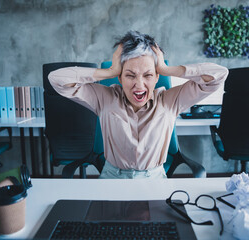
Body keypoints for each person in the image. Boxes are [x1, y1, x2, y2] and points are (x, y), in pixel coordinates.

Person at [48, 30, 229, 179]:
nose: (139, 84)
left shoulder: (169, 101)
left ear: (157, 77)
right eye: (130, 75)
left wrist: (167, 69)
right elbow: (56, 80)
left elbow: (219, 75)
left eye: (148, 75)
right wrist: (108, 71)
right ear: (119, 76)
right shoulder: (105, 98)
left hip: (155, 179)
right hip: (112, 179)